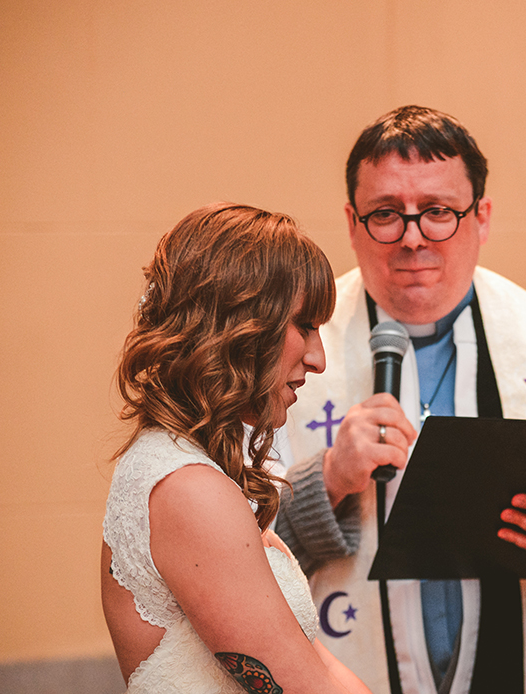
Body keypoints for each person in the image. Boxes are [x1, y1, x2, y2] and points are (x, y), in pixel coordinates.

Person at [274, 106, 526, 694]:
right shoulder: (285, 363)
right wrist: (326, 481)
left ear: (483, 217)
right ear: (351, 222)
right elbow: (223, 562)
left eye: (440, 212)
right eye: (386, 215)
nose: (413, 237)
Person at [101, 204, 372, 694]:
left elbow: (316, 663)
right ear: (237, 328)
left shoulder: (193, 467)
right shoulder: (187, 488)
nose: (318, 358)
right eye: (304, 326)